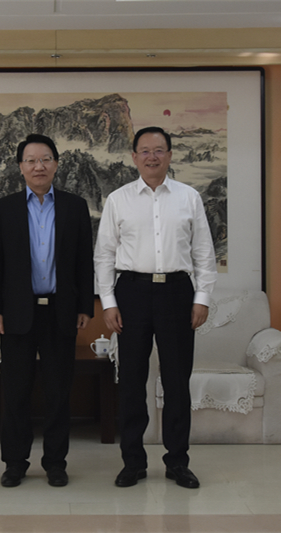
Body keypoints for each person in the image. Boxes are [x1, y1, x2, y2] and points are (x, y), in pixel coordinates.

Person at [93, 126, 217, 489]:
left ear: (170, 155)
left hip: (177, 292)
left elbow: (204, 253)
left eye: (159, 150)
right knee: (132, 381)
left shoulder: (188, 197)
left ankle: (178, 462)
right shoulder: (118, 199)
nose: (152, 157)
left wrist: (202, 298)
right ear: (134, 157)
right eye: (144, 151)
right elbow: (104, 255)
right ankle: (133, 462)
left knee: (177, 381)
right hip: (131, 292)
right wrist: (108, 303)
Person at [0, 134, 94, 488]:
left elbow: (84, 260)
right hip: (16, 313)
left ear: (56, 164)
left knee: (58, 391)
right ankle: (15, 463)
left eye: (45, 159)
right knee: (15, 391)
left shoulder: (75, 206)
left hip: (61, 311)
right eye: (31, 160)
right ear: (20, 167)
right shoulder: (5, 208)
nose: (38, 166)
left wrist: (84, 305)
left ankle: (55, 462)